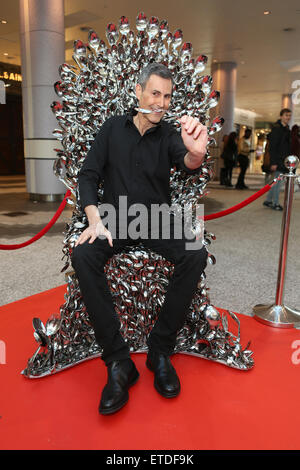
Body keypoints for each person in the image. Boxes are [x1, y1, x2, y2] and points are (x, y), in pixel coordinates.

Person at [71, 63, 208, 415]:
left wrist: (197, 151)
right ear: (138, 91)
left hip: (157, 219)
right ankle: (119, 362)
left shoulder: (170, 136)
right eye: (155, 93)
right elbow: (88, 175)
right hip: (114, 220)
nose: (161, 103)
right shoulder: (112, 129)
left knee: (195, 252)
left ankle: (160, 350)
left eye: (167, 96)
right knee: (83, 255)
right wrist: (94, 219)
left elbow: (189, 162)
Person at [263, 108, 292, 211]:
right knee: (277, 183)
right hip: (278, 160)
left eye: (289, 115)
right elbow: (273, 147)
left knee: (275, 181)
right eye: (286, 115)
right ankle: (275, 203)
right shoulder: (277, 129)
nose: (288, 117)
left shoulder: (286, 128)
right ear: (281, 116)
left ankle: (268, 200)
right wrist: (273, 162)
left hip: (283, 160)